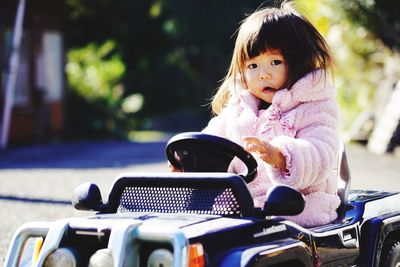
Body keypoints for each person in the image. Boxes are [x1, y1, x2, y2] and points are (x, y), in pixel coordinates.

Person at [170, 1, 340, 227]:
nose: (263, 75)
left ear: (300, 62)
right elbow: (210, 141)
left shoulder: (313, 106)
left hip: (298, 208)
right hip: (243, 207)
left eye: (275, 62)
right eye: (253, 66)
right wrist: (187, 160)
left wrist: (282, 156)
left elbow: (322, 152)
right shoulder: (239, 110)